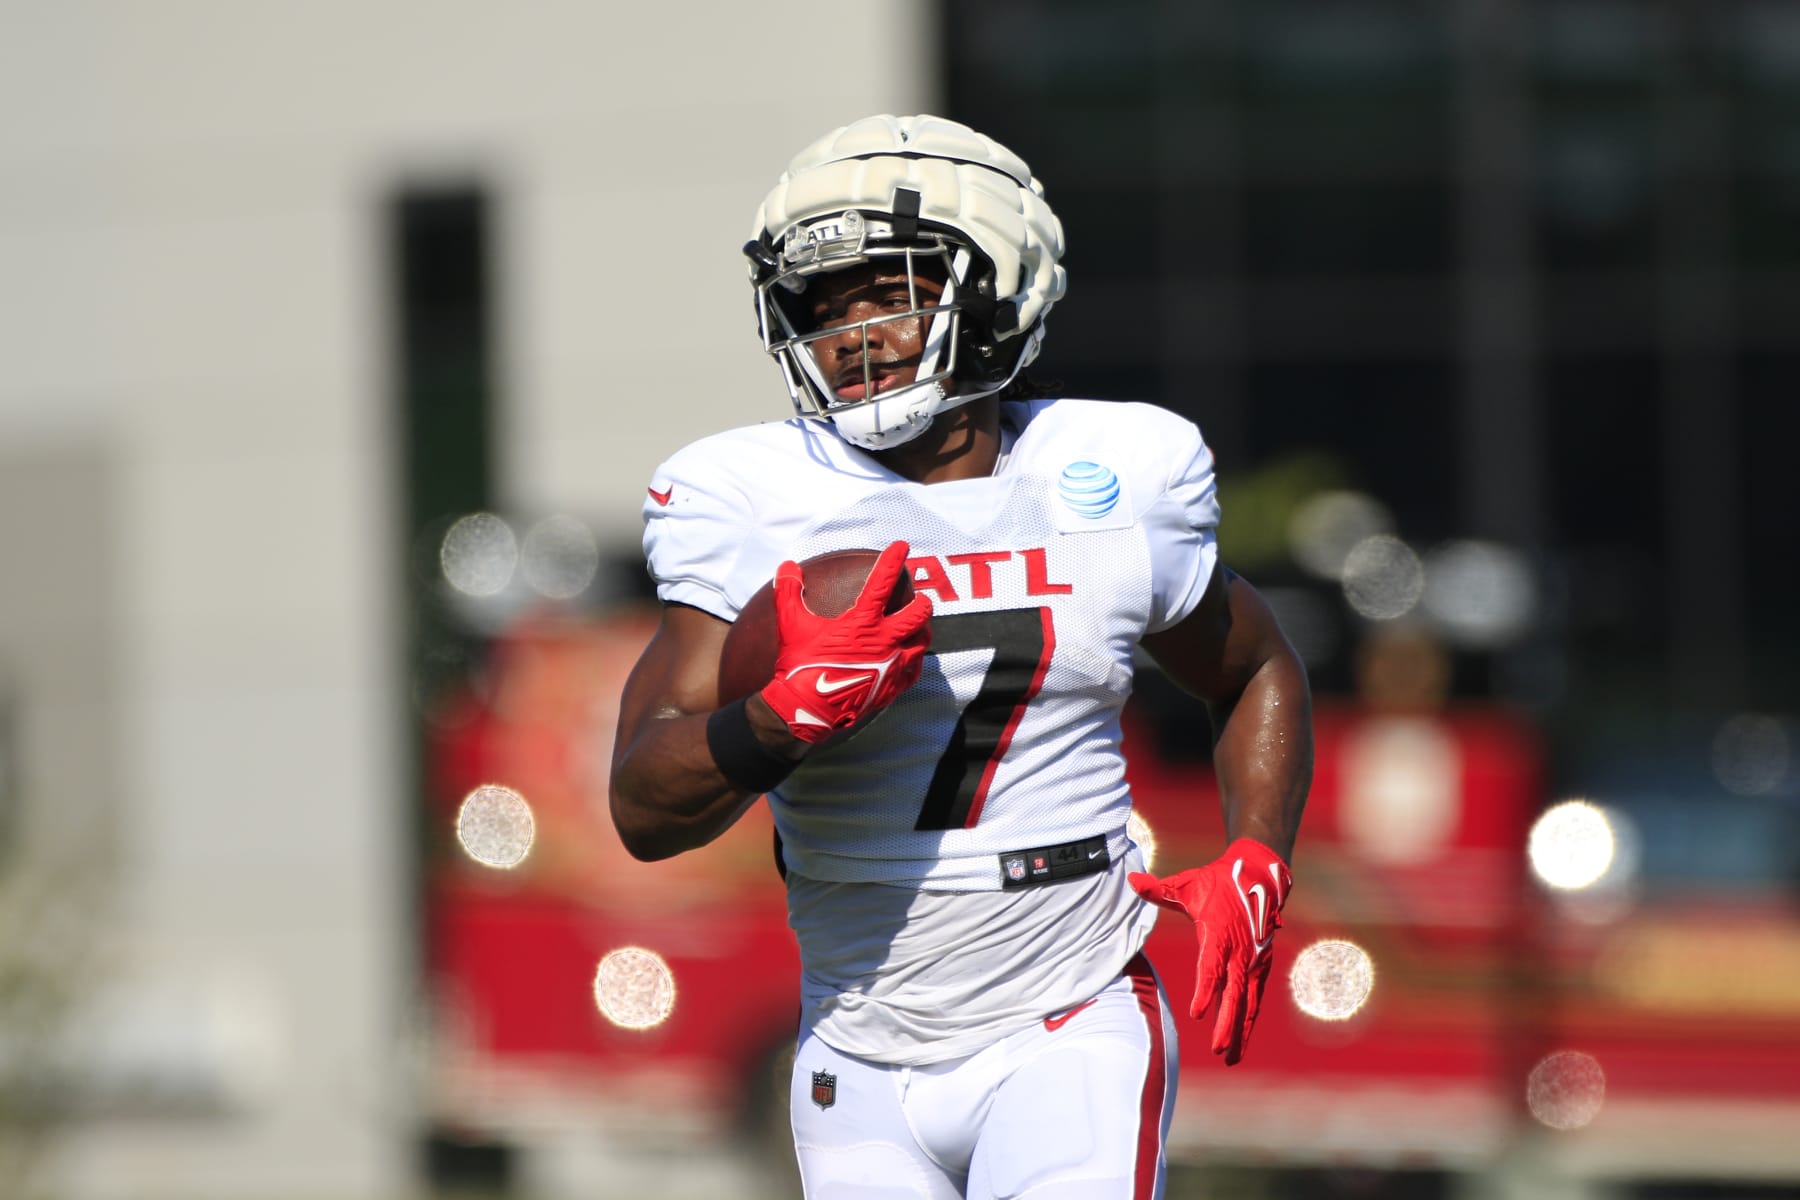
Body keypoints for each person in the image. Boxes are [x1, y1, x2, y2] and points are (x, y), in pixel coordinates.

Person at [611, 114, 1312, 1200]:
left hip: (1069, 1019)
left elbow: (1255, 666)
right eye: (823, 307)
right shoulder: (751, 500)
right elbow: (643, 809)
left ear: (996, 288)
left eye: (886, 292)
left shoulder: (1111, 476)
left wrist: (1257, 849)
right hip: (855, 1048)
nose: (850, 334)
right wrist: (779, 719)